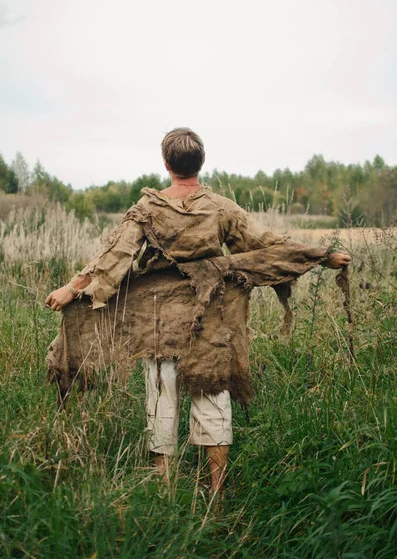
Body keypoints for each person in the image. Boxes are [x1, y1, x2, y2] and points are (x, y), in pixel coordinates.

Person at [45, 128, 351, 497]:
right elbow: (268, 244)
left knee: (161, 399)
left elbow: (113, 259)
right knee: (213, 399)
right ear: (200, 163)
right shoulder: (221, 208)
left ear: (166, 164)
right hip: (210, 317)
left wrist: (70, 289)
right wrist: (321, 256)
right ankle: (216, 493)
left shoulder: (147, 209)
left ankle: (165, 489)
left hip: (157, 320)